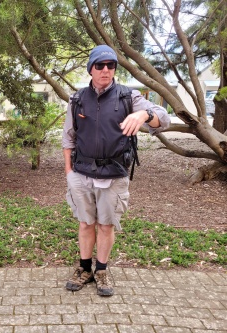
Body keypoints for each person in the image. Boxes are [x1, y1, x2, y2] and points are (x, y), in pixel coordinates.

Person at [62, 45, 170, 296]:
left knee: (106, 225)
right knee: (85, 223)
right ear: (91, 68)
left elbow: (163, 118)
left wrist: (144, 114)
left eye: (111, 65)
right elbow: (68, 138)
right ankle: (84, 268)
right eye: (100, 65)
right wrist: (69, 173)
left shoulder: (127, 97)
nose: (106, 70)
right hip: (81, 174)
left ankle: (101, 270)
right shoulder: (77, 99)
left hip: (114, 175)